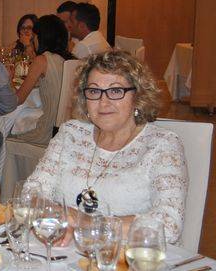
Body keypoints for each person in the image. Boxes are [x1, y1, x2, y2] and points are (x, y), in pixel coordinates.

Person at [24, 50, 187, 245]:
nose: (103, 102)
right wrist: (55, 215)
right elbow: (31, 192)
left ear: (138, 96)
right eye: (94, 91)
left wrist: (86, 222)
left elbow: (169, 225)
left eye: (116, 91)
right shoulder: (70, 133)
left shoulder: (162, 145)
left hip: (130, 256)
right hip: (64, 251)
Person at [11, 15, 75, 145]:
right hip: (68, 130)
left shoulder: (42, 60)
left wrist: (8, 80)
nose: (32, 40)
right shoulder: (71, 60)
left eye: (34, 37)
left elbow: (17, 100)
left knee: (5, 133)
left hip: (47, 132)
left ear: (41, 38)